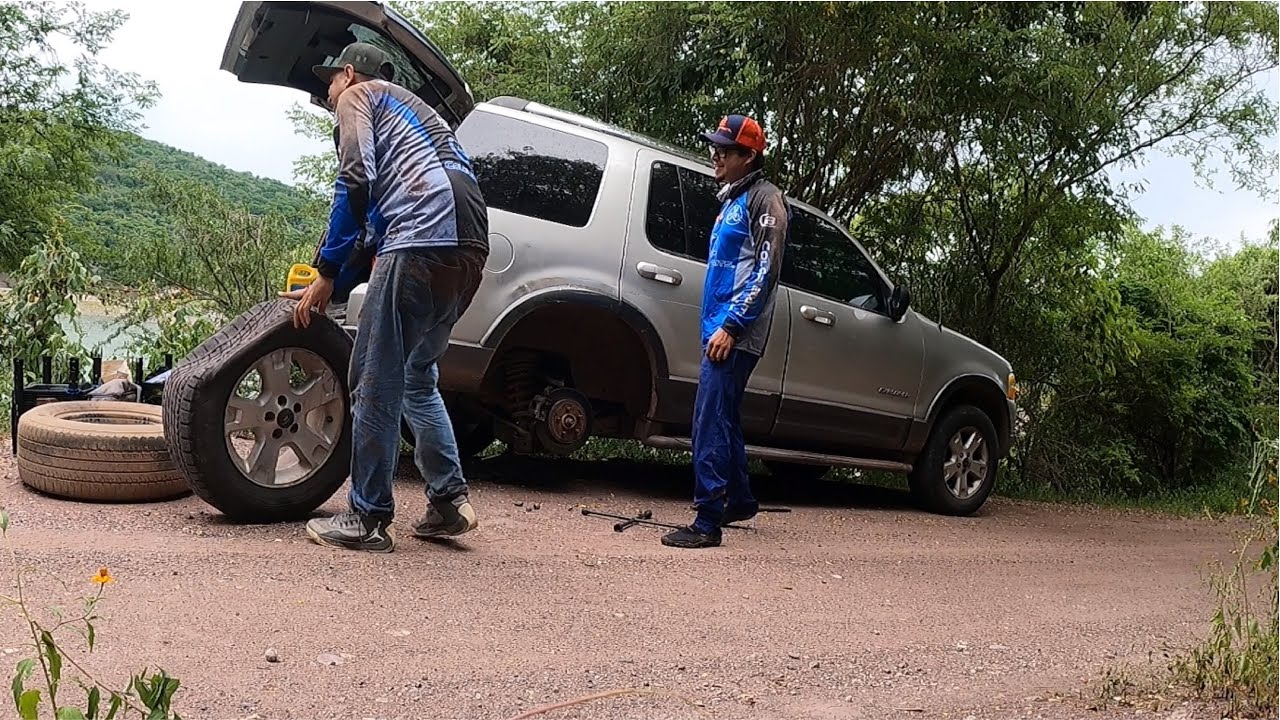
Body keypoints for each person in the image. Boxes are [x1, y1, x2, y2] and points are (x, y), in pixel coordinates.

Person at [280, 42, 489, 553]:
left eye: (330, 80)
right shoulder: (421, 116)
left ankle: (368, 517)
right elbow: (375, 218)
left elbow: (356, 178)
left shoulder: (360, 97)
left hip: (420, 238)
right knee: (417, 377)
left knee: (373, 378)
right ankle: (446, 503)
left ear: (348, 73)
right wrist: (344, 269)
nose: (327, 92)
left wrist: (326, 271)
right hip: (471, 247)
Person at [662, 114, 790, 549]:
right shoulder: (732, 200)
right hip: (718, 327)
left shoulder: (766, 201)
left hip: (734, 331)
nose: (715, 154)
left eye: (725, 149)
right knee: (724, 416)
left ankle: (707, 521)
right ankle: (738, 498)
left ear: (749, 156)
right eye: (714, 146)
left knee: (708, 420)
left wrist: (732, 326)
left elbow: (765, 272)